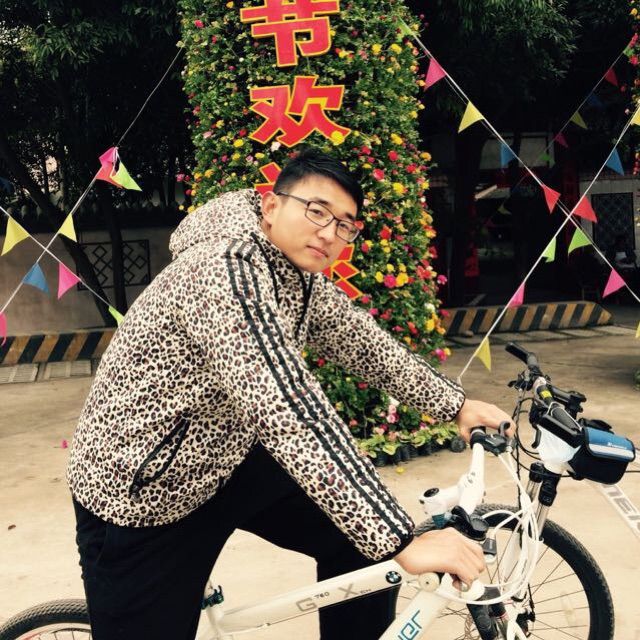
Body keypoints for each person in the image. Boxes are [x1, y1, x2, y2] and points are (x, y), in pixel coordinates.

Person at [67, 147, 515, 640]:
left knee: (360, 545)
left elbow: (361, 341)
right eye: (317, 211)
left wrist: (454, 404)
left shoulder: (292, 272)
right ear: (271, 205)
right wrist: (400, 539)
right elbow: (284, 406)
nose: (329, 233)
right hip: (144, 490)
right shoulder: (221, 269)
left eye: (345, 225)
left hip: (226, 457)